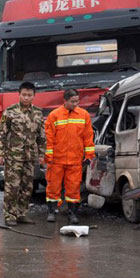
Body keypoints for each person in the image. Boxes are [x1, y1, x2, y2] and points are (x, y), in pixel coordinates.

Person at [0, 81, 46, 226]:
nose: (26, 98)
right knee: (12, 187)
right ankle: (10, 215)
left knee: (27, 187)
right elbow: (1, 134)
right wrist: (0, 153)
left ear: (34, 96)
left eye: (29, 95)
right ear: (19, 95)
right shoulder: (10, 112)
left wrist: (42, 154)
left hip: (30, 157)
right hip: (13, 157)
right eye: (24, 95)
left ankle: (22, 213)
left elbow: (41, 136)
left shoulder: (37, 113)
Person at [44, 89, 95, 224]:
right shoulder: (54, 115)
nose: (75, 104)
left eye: (77, 101)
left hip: (75, 159)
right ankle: (52, 211)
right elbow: (48, 138)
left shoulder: (84, 115)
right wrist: (48, 156)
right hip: (56, 160)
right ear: (65, 101)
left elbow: (88, 137)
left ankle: (72, 213)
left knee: (73, 188)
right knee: (53, 187)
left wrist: (89, 155)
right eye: (73, 101)